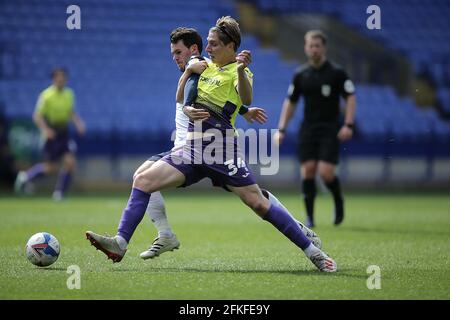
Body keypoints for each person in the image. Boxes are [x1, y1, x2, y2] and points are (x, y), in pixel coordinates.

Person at [86, 17, 337, 272]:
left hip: (220, 149)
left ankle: (313, 252)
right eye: (208, 43)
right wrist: (187, 92)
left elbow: (244, 94)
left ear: (231, 47)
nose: (209, 48)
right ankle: (120, 242)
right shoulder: (204, 68)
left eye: (214, 44)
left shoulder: (238, 70)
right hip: (192, 149)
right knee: (142, 181)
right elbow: (182, 99)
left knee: (257, 202)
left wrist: (240, 74)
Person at [139, 27, 320, 260]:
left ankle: (298, 230)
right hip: (186, 147)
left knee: (254, 197)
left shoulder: (202, 65)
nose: (175, 58)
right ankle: (164, 234)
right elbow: (217, 94)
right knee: (143, 176)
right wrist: (245, 111)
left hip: (211, 147)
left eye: (178, 52)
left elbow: (225, 90)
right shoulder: (197, 71)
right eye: (173, 53)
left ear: (193, 50)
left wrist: (243, 105)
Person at [273, 30, 356, 228]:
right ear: (306, 48)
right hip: (308, 129)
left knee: (326, 173)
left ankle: (338, 199)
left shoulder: (337, 73)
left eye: (317, 46)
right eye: (311, 46)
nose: (314, 49)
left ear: (323, 48)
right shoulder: (301, 74)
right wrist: (281, 129)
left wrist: (348, 124)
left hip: (330, 128)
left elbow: (350, 97)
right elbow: (290, 102)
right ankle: (310, 217)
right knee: (308, 171)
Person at [14, 68, 86, 200]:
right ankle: (26, 177)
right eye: (58, 78)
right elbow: (37, 116)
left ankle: (59, 193)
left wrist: (78, 123)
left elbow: (70, 112)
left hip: (64, 132)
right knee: (50, 168)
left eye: (63, 78)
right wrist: (46, 130)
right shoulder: (46, 95)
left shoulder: (69, 94)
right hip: (52, 133)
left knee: (70, 162)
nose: (61, 81)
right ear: (54, 79)